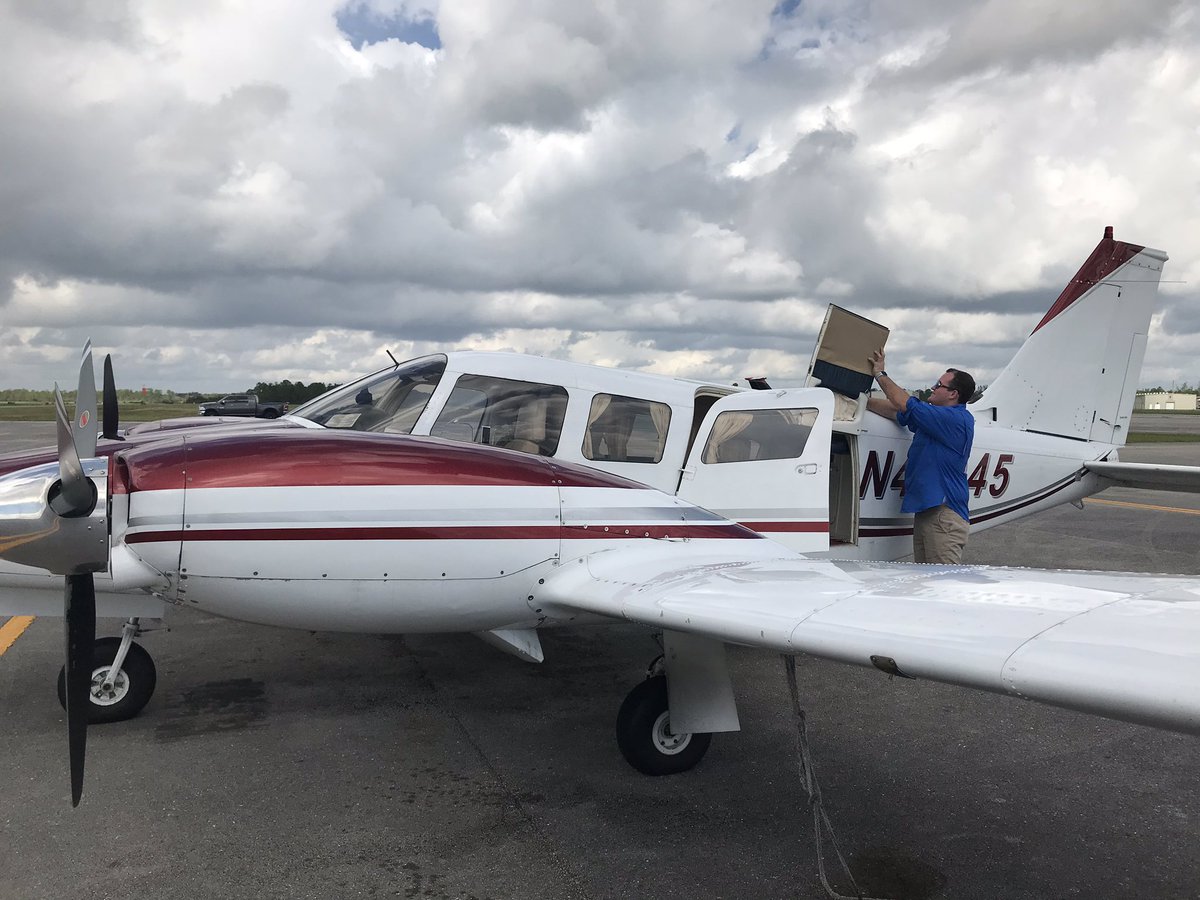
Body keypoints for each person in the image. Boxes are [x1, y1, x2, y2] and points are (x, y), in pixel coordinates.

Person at [865, 349, 976, 564]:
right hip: (928, 512)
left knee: (942, 585)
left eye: (939, 385)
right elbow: (896, 412)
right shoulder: (934, 419)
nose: (933, 388)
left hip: (943, 516)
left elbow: (904, 403)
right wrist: (862, 403)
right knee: (925, 582)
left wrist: (880, 374)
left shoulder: (954, 419)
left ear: (953, 394)